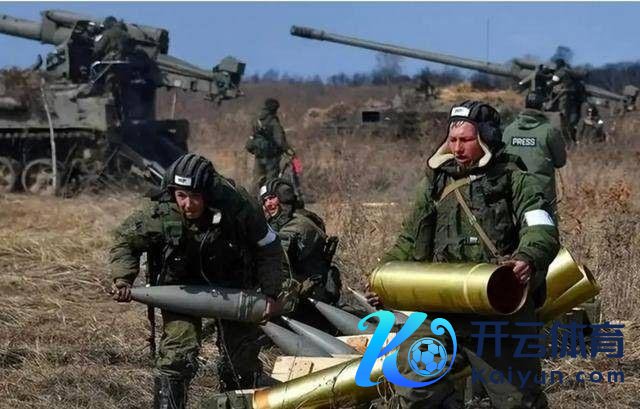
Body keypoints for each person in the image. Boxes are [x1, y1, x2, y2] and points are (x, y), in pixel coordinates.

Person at [367, 101, 560, 409]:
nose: (457, 148)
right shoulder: (436, 182)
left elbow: (541, 227)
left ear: (486, 138)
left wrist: (528, 256)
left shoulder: (515, 179)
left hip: (499, 308)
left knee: (518, 402)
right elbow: (411, 239)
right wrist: (385, 277)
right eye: (453, 140)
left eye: (466, 140)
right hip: (441, 307)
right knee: (415, 383)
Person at [109, 153, 297, 409]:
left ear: (208, 193)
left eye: (195, 196)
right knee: (177, 353)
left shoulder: (237, 206)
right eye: (181, 196)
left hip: (234, 287)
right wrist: (123, 277)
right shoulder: (161, 212)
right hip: (180, 288)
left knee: (240, 358)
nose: (187, 204)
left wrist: (272, 293)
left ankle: (238, 400)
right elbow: (125, 241)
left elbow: (268, 246)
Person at [259, 178, 341, 329]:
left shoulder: (300, 224)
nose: (268, 204)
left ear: (284, 197)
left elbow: (277, 252)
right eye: (265, 201)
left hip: (310, 300)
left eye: (271, 198)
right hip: (300, 295)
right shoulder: (281, 221)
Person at [502, 92, 567, 215]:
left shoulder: (509, 130)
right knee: (544, 224)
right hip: (542, 194)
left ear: (525, 105)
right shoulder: (549, 131)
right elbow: (560, 161)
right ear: (542, 106)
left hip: (513, 192)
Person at [246, 98, 295, 191]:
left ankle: (253, 196)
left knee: (256, 180)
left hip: (258, 154)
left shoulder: (257, 119)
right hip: (271, 156)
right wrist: (289, 151)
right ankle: (268, 196)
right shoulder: (273, 121)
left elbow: (253, 135)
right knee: (271, 182)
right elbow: (280, 141)